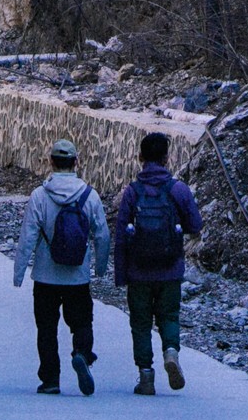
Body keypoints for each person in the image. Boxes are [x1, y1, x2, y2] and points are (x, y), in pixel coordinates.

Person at [12, 138, 111, 395]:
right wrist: (100, 267)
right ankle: (81, 354)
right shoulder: (90, 196)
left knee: (46, 328)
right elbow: (102, 235)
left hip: (45, 276)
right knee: (81, 322)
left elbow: (28, 236)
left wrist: (19, 271)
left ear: (51, 162)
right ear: (76, 162)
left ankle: (50, 380)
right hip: (77, 276)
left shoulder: (39, 196)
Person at [112, 129, 202, 396]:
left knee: (140, 323)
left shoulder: (132, 192)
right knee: (169, 316)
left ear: (140, 157)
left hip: (138, 271)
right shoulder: (178, 189)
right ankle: (171, 352)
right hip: (170, 268)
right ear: (166, 158)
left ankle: (146, 376)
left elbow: (120, 236)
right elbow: (196, 224)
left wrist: (120, 274)